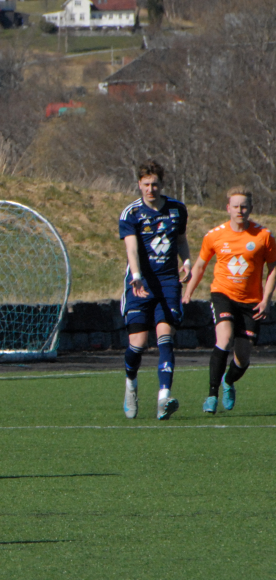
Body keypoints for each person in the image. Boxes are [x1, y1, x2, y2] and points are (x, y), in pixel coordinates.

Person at [182, 186, 276, 414]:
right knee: (223, 339)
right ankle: (211, 395)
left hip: (252, 302)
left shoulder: (264, 236)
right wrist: (188, 292)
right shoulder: (215, 235)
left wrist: (266, 299)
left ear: (250, 208)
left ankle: (228, 381)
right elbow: (200, 265)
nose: (240, 210)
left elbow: (273, 268)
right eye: (236, 206)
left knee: (243, 358)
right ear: (228, 208)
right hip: (223, 294)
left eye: (244, 206)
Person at [118, 161, 190, 421]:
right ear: (139, 184)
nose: (151, 189)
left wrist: (187, 262)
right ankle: (131, 382)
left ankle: (163, 398)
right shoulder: (132, 213)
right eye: (146, 184)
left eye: (155, 184)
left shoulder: (177, 209)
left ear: (162, 184)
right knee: (137, 345)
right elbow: (131, 248)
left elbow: (180, 240)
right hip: (141, 284)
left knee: (165, 338)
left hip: (169, 282)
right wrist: (137, 276)